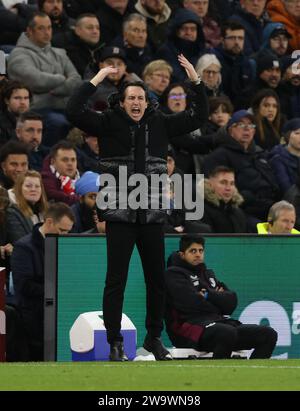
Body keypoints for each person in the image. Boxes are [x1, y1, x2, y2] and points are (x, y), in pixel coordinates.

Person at [66, 54, 209, 361]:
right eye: (131, 97)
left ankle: (154, 339)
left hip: (153, 214)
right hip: (119, 214)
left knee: (157, 280)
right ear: (122, 101)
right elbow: (73, 111)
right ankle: (114, 342)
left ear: (147, 102)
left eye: (141, 98)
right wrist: (96, 79)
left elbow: (198, 117)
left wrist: (195, 82)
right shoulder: (107, 122)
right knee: (115, 279)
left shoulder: (161, 123)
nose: (136, 103)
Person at [164, 234, 278, 359]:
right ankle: (218, 375)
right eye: (193, 251)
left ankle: (252, 377)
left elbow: (231, 303)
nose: (198, 254)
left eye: (201, 251)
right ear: (182, 254)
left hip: (219, 323)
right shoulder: (173, 274)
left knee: (268, 334)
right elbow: (190, 305)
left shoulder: (208, 274)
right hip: (189, 328)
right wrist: (218, 300)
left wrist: (208, 295)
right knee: (226, 333)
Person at [11, 202, 75, 361]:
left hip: (58, 315)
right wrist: (56, 290)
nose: (65, 236)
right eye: (62, 231)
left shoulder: (63, 246)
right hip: (33, 319)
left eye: (68, 232)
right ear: (49, 222)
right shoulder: (23, 248)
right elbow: (24, 285)